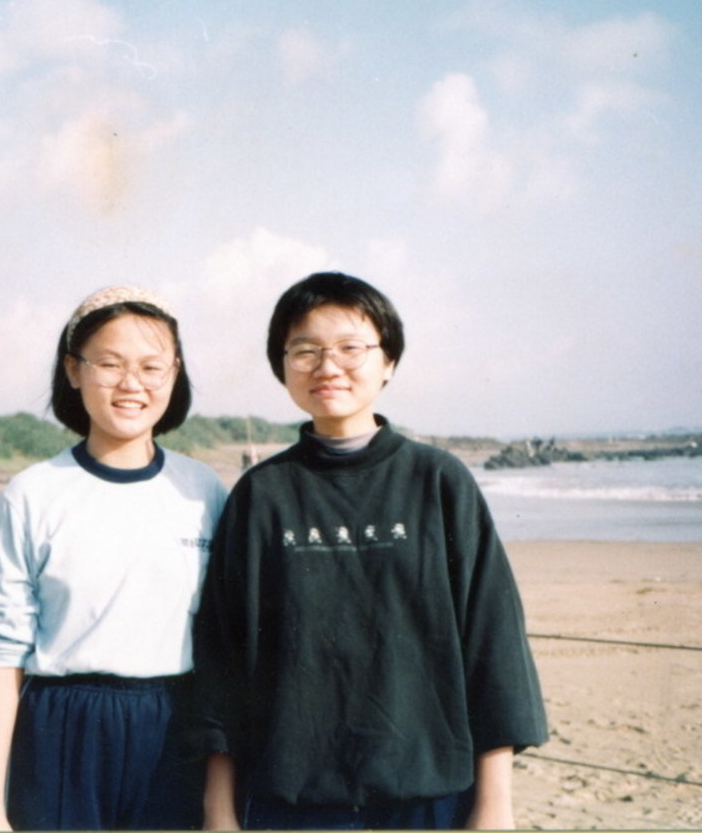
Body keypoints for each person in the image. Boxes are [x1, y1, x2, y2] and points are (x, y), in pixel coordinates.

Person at [192, 272, 547, 830]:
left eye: (350, 348)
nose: (327, 366)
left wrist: (494, 807)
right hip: (292, 801)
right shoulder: (262, 495)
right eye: (305, 350)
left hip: (429, 795)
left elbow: (493, 644)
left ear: (388, 361)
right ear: (283, 366)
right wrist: (219, 812)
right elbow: (222, 661)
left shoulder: (438, 481)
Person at [0, 285, 228, 831]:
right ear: (73, 369)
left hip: (175, 731)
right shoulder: (32, 494)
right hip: (60, 731)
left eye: (151, 367)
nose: (132, 383)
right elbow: (0, 655)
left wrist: (219, 808)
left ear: (175, 373)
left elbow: (224, 653)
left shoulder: (203, 490)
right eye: (109, 364)